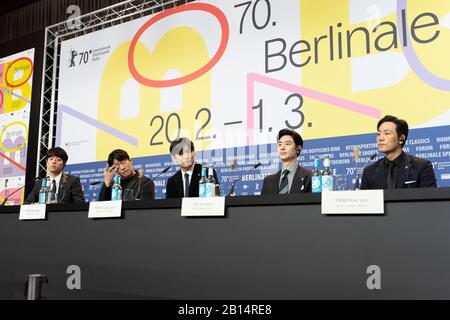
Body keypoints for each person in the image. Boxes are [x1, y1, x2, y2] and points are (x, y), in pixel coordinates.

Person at [361, 115, 437, 189]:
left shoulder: (421, 166)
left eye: (387, 133)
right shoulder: (369, 171)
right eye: (378, 134)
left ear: (401, 139)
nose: (380, 138)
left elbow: (430, 199)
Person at [261, 128, 311, 194]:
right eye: (279, 144)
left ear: (298, 148)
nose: (282, 148)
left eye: (287, 144)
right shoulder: (268, 180)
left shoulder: (310, 176)